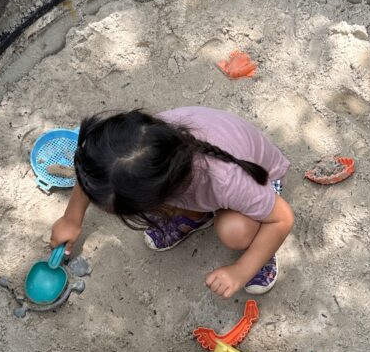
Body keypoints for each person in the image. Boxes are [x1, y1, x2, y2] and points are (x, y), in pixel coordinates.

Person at [49, 106, 293, 297]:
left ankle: (260, 251)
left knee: (235, 232)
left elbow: (282, 219)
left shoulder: (227, 180)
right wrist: (72, 218)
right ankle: (198, 215)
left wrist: (241, 271)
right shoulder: (141, 143)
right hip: (198, 179)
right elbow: (95, 169)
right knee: (192, 202)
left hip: (258, 175)